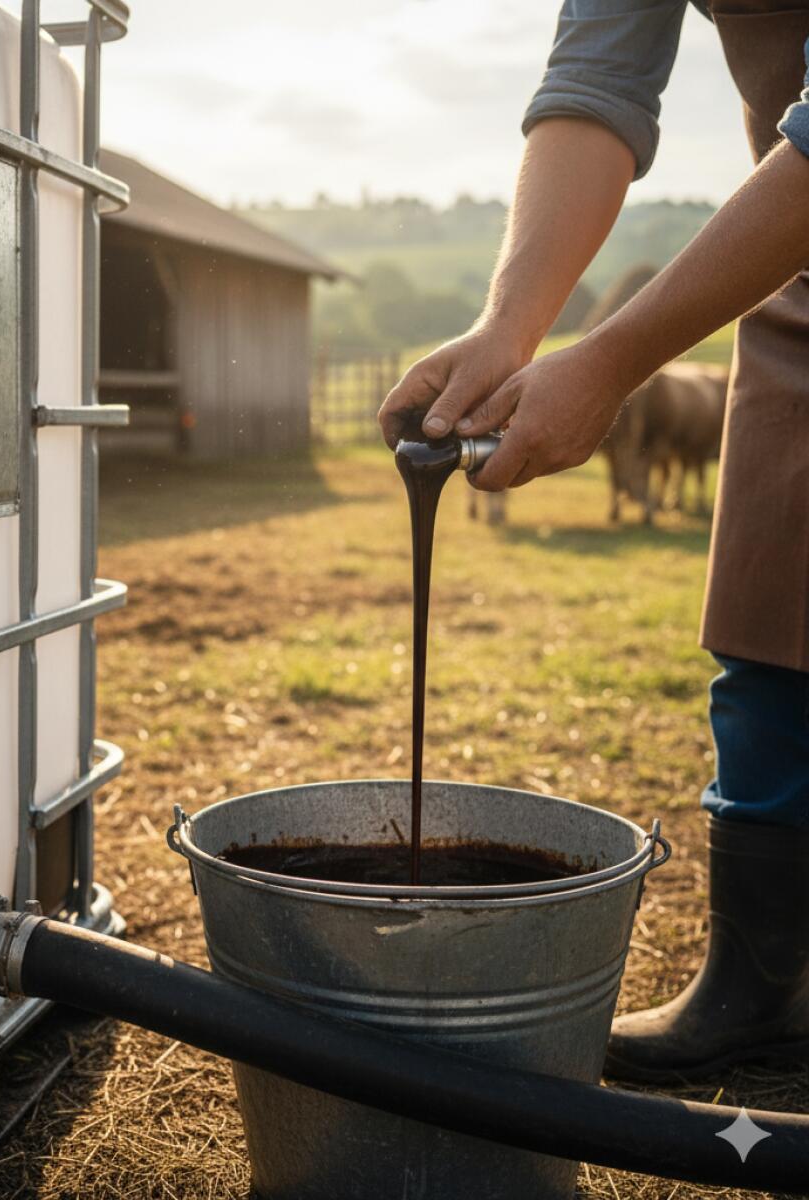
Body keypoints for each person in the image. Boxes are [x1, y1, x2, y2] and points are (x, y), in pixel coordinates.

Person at [379, 0, 809, 1083]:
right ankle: (769, 985)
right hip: (797, 257)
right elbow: (597, 87)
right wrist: (512, 325)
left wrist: (614, 360)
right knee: (766, 616)